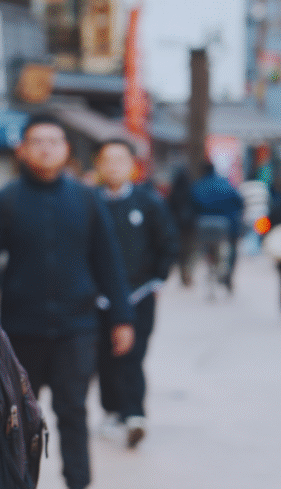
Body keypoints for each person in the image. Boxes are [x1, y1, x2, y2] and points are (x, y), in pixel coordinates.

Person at [0, 114, 134, 489]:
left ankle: (78, 483)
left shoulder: (86, 199)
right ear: (22, 149)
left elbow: (108, 261)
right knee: (15, 417)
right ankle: (13, 481)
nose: (46, 148)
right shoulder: (4, 201)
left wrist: (121, 318)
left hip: (77, 328)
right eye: (37, 141)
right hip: (19, 329)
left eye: (54, 141)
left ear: (66, 150)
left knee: (74, 413)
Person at [93, 139, 179, 449]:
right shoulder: (91, 202)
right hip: (99, 296)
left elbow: (168, 241)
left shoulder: (149, 202)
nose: (114, 166)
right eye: (108, 159)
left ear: (132, 165)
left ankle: (134, 414)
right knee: (104, 354)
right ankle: (111, 410)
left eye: (121, 159)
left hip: (139, 293)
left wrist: (158, 279)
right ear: (99, 165)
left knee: (132, 353)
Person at [190, 161, 244, 291]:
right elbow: (239, 201)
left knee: (204, 247)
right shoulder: (225, 183)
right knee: (233, 247)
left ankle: (210, 266)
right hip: (227, 225)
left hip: (204, 225)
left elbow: (192, 205)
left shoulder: (198, 186)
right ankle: (228, 273)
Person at [166, 166, 198, 286]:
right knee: (190, 250)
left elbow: (168, 208)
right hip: (189, 225)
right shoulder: (191, 190)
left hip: (177, 225)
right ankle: (187, 272)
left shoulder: (173, 192)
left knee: (181, 251)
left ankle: (183, 272)